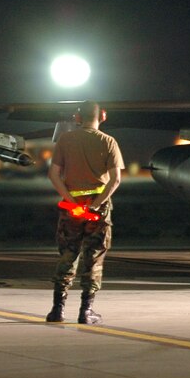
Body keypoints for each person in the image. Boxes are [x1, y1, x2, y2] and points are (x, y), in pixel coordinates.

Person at [45, 100, 124, 325]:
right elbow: (116, 180)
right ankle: (86, 311)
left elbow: (53, 175)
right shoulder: (108, 142)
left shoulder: (65, 139)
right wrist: (97, 204)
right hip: (97, 208)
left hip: (72, 206)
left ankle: (57, 310)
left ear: (77, 118)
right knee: (94, 257)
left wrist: (70, 200)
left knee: (68, 255)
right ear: (103, 117)